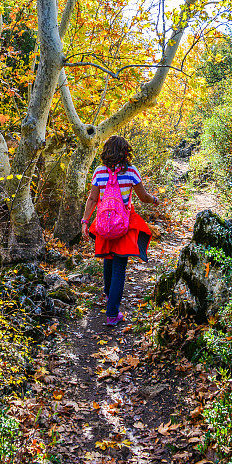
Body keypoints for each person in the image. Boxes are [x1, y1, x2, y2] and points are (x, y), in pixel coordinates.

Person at [81, 136, 158, 326]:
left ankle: (109, 297)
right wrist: (154, 200)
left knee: (108, 259)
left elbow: (92, 199)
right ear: (125, 152)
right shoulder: (131, 171)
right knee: (119, 267)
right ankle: (112, 313)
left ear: (106, 151)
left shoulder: (99, 172)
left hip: (103, 223)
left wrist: (85, 221)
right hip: (124, 224)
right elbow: (143, 197)